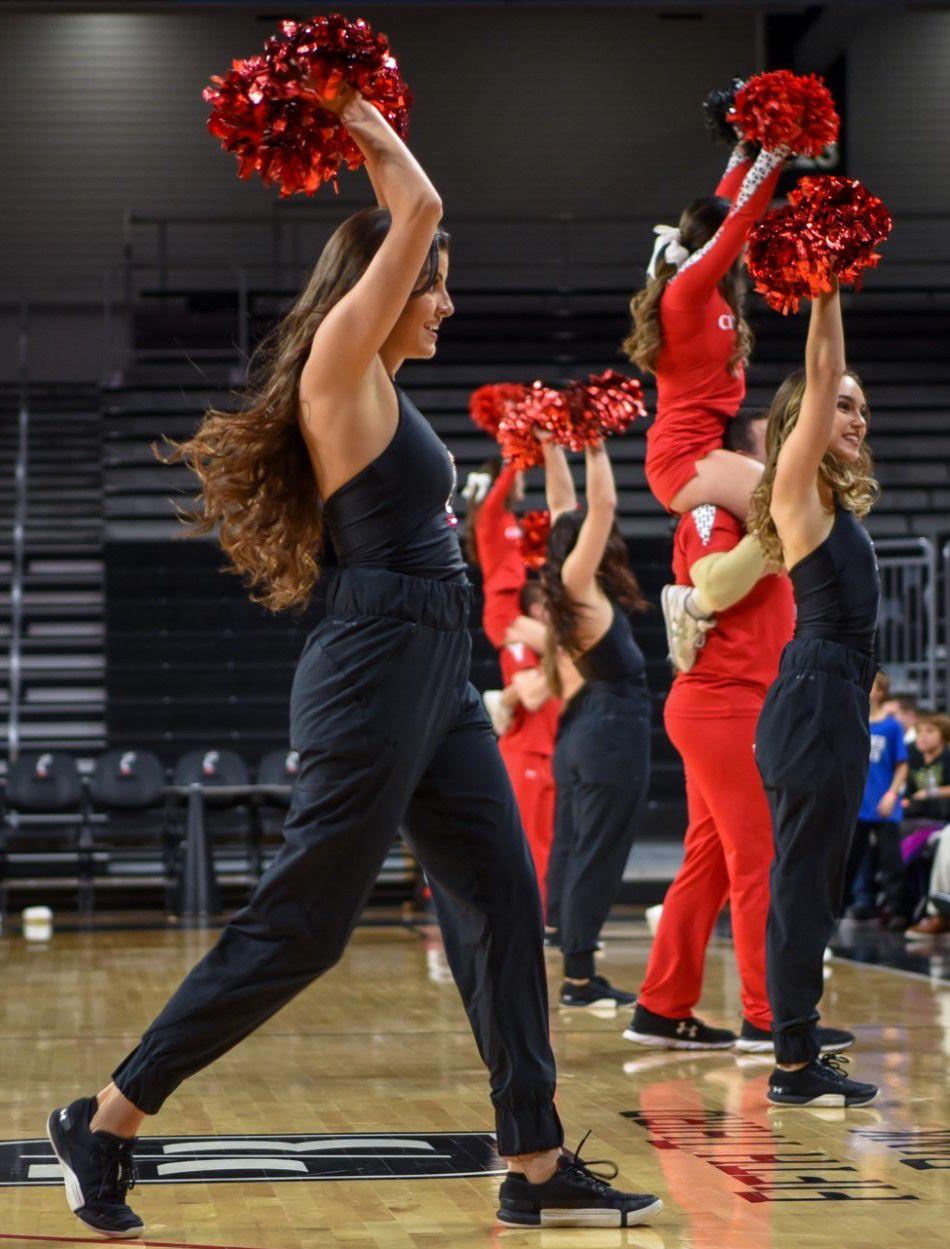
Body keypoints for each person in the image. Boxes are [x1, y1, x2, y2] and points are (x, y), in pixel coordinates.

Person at [46, 81, 661, 1237]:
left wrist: (371, 156)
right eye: (432, 281)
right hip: (375, 657)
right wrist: (348, 110)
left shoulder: (380, 386)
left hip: (433, 663)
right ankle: (109, 1117)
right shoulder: (342, 359)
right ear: (381, 286)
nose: (446, 300)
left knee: (500, 895)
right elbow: (414, 203)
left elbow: (407, 219)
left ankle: (532, 1158)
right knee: (306, 923)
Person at [748, 280, 881, 1107]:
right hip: (815, 700)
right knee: (803, 885)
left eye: (862, 408)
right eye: (843, 406)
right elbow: (822, 359)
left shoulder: (831, 500)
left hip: (829, 701)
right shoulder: (798, 487)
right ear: (805, 419)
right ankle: (793, 1062)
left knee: (814, 883)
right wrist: (825, 284)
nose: (857, 419)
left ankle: (797, 1045)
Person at [624, 139, 787, 669]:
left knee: (792, 500)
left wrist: (743, 152)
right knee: (787, 502)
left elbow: (725, 209)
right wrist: (779, 153)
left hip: (705, 451)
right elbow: (737, 221)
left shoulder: (707, 288)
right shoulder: (686, 292)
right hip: (682, 457)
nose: (736, 251)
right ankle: (692, 601)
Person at [538, 435, 651, 1009]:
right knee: (598, 852)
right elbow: (599, 509)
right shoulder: (578, 585)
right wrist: (595, 444)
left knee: (580, 845)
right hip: (611, 728)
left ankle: (573, 956)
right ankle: (580, 979)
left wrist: (547, 442)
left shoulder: (565, 581)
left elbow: (565, 506)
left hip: (586, 728)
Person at [466, 460, 561, 902]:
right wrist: (513, 457)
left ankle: (498, 701)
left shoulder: (513, 527)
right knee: (574, 647)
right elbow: (491, 498)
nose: (522, 486)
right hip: (502, 614)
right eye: (519, 481)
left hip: (515, 613)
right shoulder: (490, 518)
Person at [844, 671, 910, 928]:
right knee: (850, 859)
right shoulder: (856, 721)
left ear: (880, 691)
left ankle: (898, 911)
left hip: (884, 805)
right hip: (859, 804)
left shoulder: (892, 726)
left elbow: (902, 764)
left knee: (891, 860)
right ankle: (842, 907)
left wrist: (892, 794)